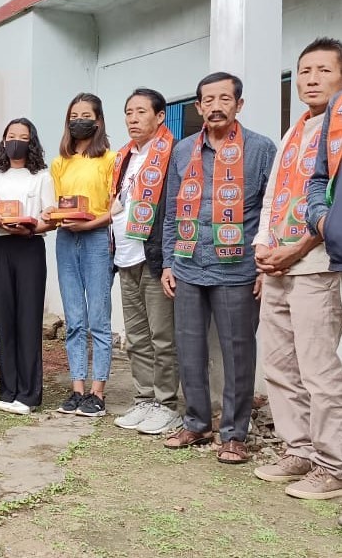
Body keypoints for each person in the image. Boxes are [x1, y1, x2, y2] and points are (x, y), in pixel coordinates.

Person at [161, 71, 276, 464]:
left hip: (238, 267)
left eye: (224, 99)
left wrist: (264, 267)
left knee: (237, 352)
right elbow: (173, 209)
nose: (215, 106)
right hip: (190, 264)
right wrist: (169, 261)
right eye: (208, 100)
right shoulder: (183, 151)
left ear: (239, 105)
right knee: (189, 349)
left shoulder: (260, 149)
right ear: (198, 107)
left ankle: (234, 433)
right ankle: (196, 422)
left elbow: (270, 212)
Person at [252, 38, 342, 498]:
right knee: (280, 365)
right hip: (278, 265)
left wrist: (297, 248)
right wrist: (263, 247)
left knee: (318, 368)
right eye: (305, 70)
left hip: (317, 265)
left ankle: (333, 465)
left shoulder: (339, 131)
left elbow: (334, 207)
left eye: (324, 70)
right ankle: (299, 449)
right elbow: (274, 196)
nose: (311, 79)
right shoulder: (295, 132)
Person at [110, 88, 181, 435]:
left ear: (160, 116)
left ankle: (167, 404)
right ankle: (144, 399)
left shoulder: (174, 153)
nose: (133, 119)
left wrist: (171, 259)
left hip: (154, 258)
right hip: (125, 257)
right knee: (136, 337)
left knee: (162, 336)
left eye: (140, 112)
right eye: (128, 112)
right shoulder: (123, 157)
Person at [43, 93, 116, 418]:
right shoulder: (59, 163)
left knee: (98, 318)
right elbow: (56, 205)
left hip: (97, 240)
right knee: (74, 319)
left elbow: (116, 208)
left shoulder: (110, 160)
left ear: (98, 121)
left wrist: (91, 225)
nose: (80, 120)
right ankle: (76, 389)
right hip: (65, 240)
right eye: (74, 115)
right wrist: (51, 214)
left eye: (86, 114)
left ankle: (97, 392)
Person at [0, 118, 55, 415]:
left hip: (28, 247)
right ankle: (7, 389)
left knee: (28, 318)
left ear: (32, 142)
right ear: (3, 141)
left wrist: (30, 225)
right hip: (1, 248)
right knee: (5, 319)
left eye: (22, 137)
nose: (16, 141)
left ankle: (28, 394)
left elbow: (49, 219)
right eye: (11, 136)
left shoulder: (42, 176)